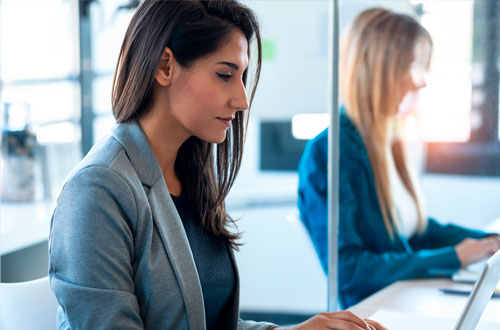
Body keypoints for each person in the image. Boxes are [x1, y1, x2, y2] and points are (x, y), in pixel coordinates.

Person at [49, 1, 386, 329]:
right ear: (165, 67)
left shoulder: (189, 173)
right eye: (225, 75)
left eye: (241, 77)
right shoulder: (97, 191)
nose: (241, 100)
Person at [298, 8, 500, 309]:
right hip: (376, 311)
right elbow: (349, 270)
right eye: (416, 67)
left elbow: (415, 231)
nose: (422, 83)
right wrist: (456, 256)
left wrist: (489, 241)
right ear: (381, 70)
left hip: (406, 299)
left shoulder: (387, 142)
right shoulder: (330, 152)